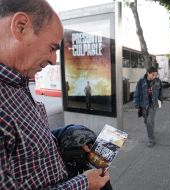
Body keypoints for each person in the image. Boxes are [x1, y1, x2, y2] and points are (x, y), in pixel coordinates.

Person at [0, 0, 109, 189]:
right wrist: (84, 183)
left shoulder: (17, 81)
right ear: (20, 27)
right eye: (52, 48)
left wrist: (65, 134)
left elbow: (24, 149)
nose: (53, 60)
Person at [134, 66, 163, 147]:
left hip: (153, 105)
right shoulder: (141, 82)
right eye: (153, 75)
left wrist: (160, 100)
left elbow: (160, 91)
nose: (154, 77)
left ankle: (151, 139)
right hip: (143, 105)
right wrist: (137, 105)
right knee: (147, 121)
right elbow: (137, 93)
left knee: (149, 121)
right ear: (148, 73)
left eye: (156, 75)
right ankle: (151, 130)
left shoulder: (158, 81)